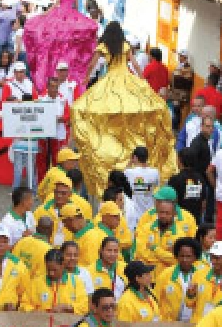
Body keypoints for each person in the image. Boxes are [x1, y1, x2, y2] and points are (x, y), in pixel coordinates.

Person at [75, 20, 176, 196]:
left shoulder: (103, 46)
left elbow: (92, 65)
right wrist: (142, 80)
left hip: (110, 80)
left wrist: (85, 80)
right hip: (127, 79)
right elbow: (135, 64)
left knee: (101, 108)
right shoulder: (125, 45)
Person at [20, 248, 88, 314]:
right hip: (41, 323)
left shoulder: (76, 282)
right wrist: (35, 312)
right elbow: (24, 305)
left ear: (63, 265)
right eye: (48, 270)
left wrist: (67, 307)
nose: (51, 273)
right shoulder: (36, 283)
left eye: (54, 270)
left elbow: (84, 307)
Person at [155, 237, 200, 322]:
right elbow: (156, 300)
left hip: (192, 325)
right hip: (168, 325)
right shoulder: (165, 274)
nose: (184, 259)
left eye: (188, 256)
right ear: (176, 256)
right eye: (181, 256)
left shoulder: (201, 276)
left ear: (195, 257)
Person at [167, 148, 207, 223]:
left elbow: (169, 202)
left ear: (180, 160)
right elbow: (203, 204)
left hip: (179, 222)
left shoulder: (175, 180)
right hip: (195, 221)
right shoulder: (200, 179)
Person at [124, 146, 160, 222]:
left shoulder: (129, 172)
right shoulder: (155, 172)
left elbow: (124, 176)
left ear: (135, 158)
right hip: (150, 212)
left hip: (136, 213)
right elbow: (157, 186)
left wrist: (130, 162)